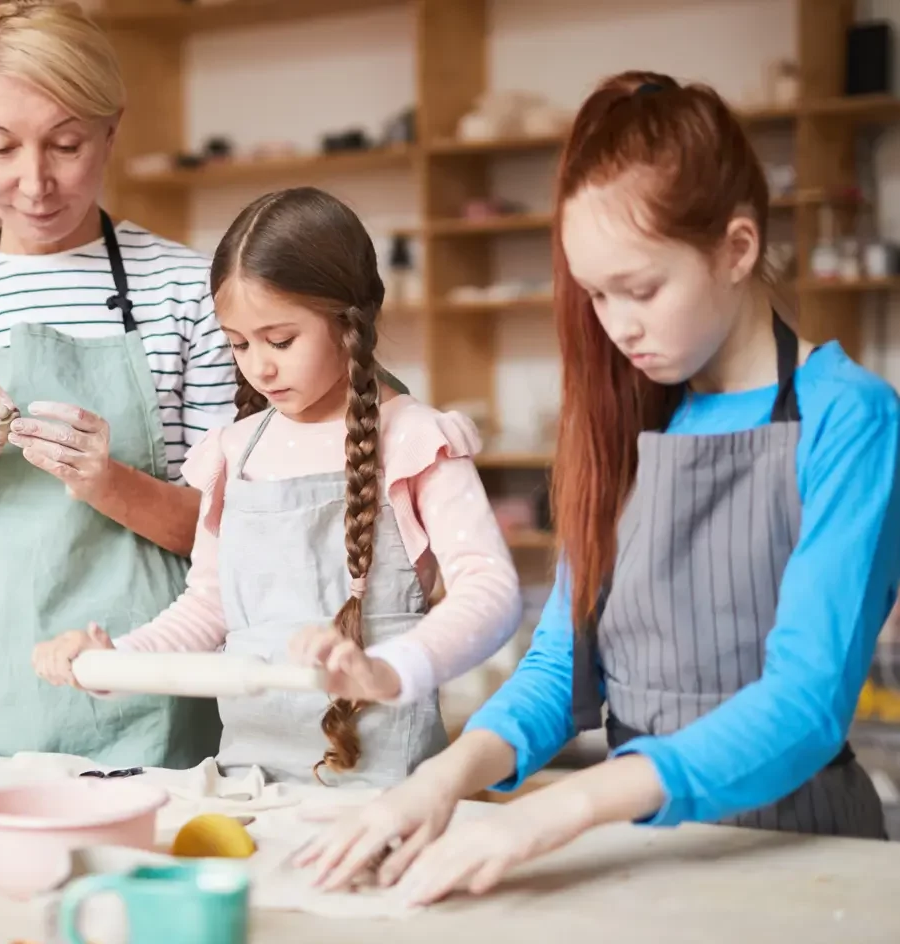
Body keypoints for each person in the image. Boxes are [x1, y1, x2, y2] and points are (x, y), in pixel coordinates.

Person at [296, 70, 900, 901]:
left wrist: (561, 811)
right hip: (644, 851)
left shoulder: (850, 418)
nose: (617, 327)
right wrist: (442, 780)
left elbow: (803, 706)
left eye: (642, 289)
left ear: (736, 247)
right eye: (595, 294)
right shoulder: (627, 422)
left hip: (801, 854)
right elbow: (557, 671)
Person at [0, 0, 236, 764]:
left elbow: (234, 537)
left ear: (111, 128)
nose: (35, 183)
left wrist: (108, 483)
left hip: (139, 697)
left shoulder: (187, 290)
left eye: (66, 145)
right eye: (0, 147)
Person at [33, 187, 523, 786]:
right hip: (251, 782)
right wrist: (111, 662)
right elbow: (207, 610)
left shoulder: (417, 440)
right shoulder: (234, 451)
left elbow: (492, 594)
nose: (258, 367)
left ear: (349, 321)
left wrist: (392, 668)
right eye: (238, 343)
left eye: (280, 340)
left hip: (386, 786)